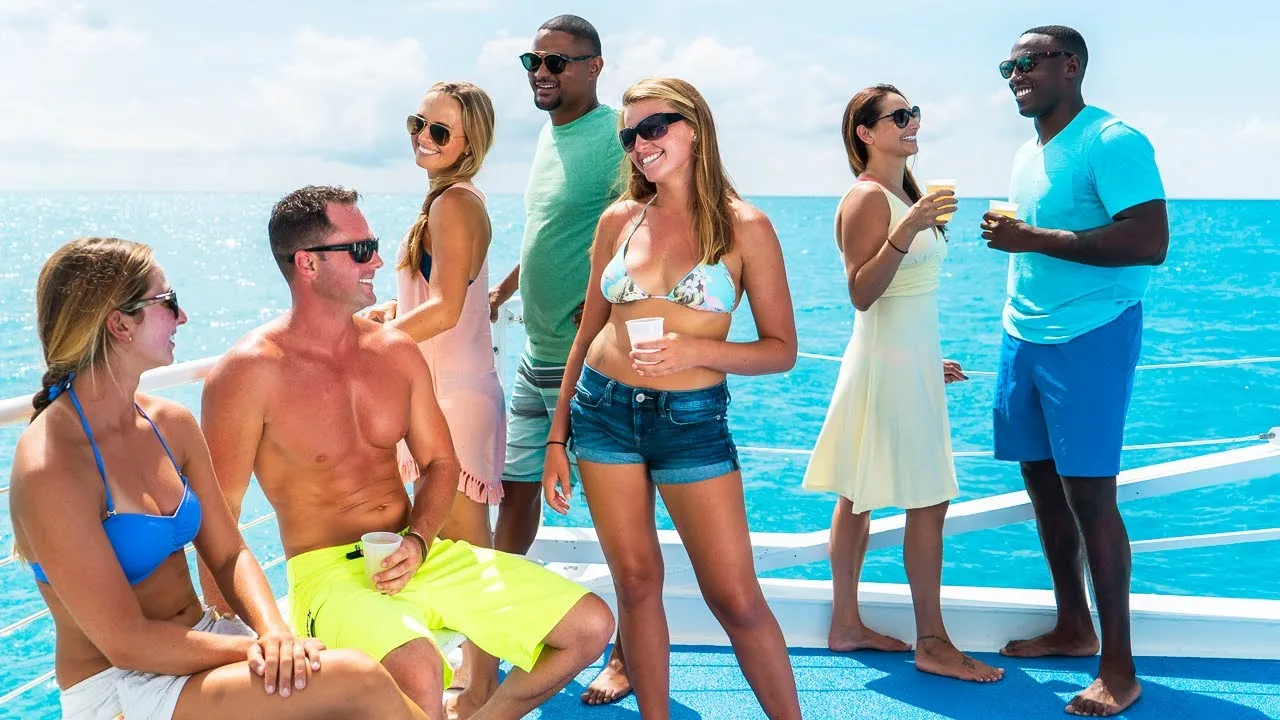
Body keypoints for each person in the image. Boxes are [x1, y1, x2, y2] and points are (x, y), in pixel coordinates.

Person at [198, 185, 615, 720]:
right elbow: (219, 517)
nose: (377, 260)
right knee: (418, 669)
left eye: (373, 244)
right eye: (358, 249)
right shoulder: (246, 372)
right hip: (325, 577)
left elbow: (441, 463)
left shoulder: (393, 351)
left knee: (590, 626)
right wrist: (230, 633)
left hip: (418, 554)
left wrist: (419, 540)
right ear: (307, 264)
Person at [8, 237, 425, 720]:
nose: (182, 318)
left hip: (201, 647)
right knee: (357, 678)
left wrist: (274, 633)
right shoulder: (52, 467)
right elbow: (127, 644)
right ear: (120, 324)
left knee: (351, 687)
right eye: (168, 303)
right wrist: (271, 648)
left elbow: (229, 554)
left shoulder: (170, 425)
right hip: (122, 687)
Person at [542, 77, 802, 720]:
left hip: (690, 422)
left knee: (735, 597)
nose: (639, 144)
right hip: (601, 412)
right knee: (635, 585)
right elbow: (589, 331)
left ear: (695, 128)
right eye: (629, 134)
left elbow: (781, 349)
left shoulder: (746, 227)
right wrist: (556, 437)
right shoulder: (618, 219)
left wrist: (699, 351)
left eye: (653, 127)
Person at [982, 25, 1169, 717]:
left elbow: (1149, 241)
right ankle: (1072, 626)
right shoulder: (1027, 153)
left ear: (1072, 64)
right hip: (1021, 335)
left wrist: (1032, 238)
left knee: (1092, 499)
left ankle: (1119, 668)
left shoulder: (1112, 140)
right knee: (1042, 489)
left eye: (1027, 62)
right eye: (1008, 65)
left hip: (1091, 336)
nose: (1014, 74)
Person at [801, 85, 1005, 684]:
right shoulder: (867, 198)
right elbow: (863, 294)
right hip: (882, 359)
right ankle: (933, 642)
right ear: (865, 132)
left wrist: (926, 360)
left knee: (861, 494)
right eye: (898, 116)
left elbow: (908, 301)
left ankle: (846, 625)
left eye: (914, 112)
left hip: (902, 360)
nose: (912, 121)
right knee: (926, 496)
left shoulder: (904, 192)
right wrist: (908, 226)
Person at [485, 13, 631, 705]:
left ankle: (626, 655)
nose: (541, 74)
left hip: (590, 362)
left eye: (556, 63)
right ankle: (492, 639)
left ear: (594, 67)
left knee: (618, 519)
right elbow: (547, 233)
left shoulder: (615, 137)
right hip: (534, 357)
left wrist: (612, 311)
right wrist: (499, 294)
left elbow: (646, 227)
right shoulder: (552, 137)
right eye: (532, 62)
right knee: (514, 500)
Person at [361, 80, 507, 713]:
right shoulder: (443, 203)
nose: (424, 137)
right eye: (417, 124)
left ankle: (480, 690)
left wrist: (361, 347)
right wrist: (385, 312)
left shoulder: (454, 204)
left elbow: (446, 309)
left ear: (468, 140)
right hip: (439, 394)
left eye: (440, 130)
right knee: (455, 546)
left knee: (472, 552)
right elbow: (441, 297)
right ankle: (469, 679)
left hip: (456, 399)